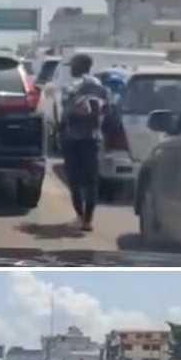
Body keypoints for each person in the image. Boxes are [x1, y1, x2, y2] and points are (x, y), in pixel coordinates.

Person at [59, 54, 111, 231]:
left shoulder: (72, 86)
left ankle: (80, 217)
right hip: (93, 138)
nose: (71, 68)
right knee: (91, 181)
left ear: (79, 66)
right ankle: (88, 221)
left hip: (72, 138)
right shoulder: (101, 87)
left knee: (74, 180)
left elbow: (65, 114)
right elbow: (108, 111)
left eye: (72, 65)